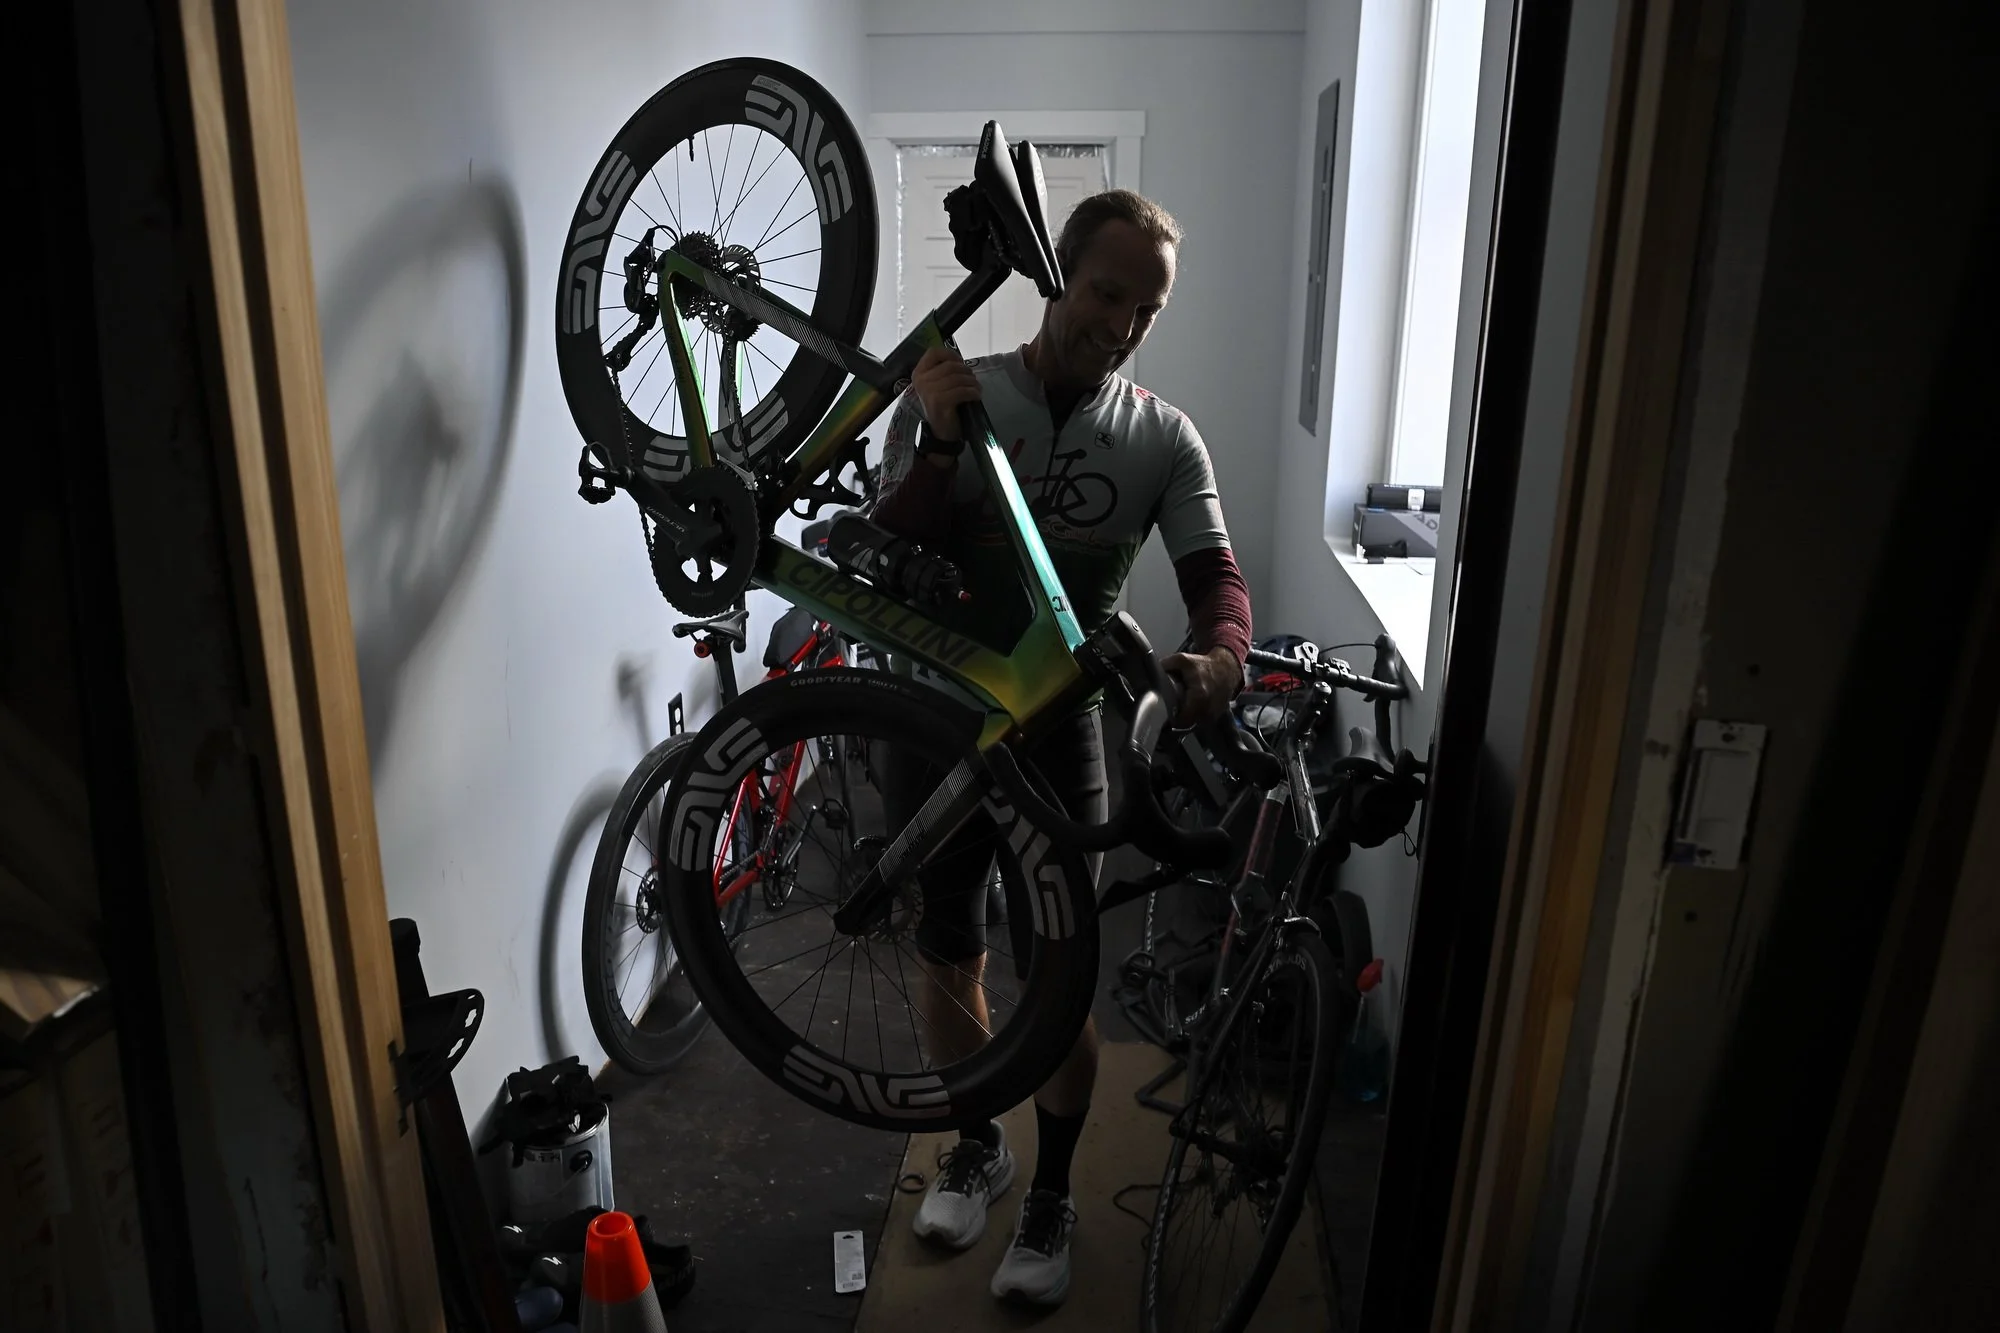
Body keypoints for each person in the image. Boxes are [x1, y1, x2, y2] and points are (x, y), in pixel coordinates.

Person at [870, 188, 1254, 1307]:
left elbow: (1217, 585)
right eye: (1104, 293)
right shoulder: (953, 389)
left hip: (1057, 728)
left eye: (1147, 308)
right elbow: (887, 556)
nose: (1122, 324)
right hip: (935, 719)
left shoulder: (1163, 437)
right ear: (1058, 280)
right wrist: (938, 446)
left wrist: (1220, 661)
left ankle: (1051, 1191)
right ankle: (975, 1147)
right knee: (947, 948)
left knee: (1058, 972)